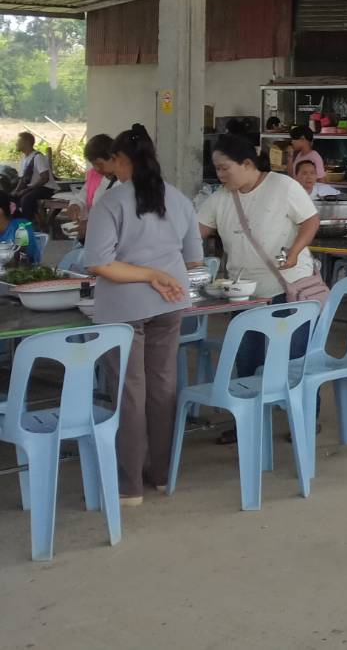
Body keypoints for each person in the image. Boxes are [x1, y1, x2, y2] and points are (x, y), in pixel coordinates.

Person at [83, 125, 201, 505]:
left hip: (124, 308)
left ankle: (129, 485)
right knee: (163, 387)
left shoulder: (111, 202)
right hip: (171, 303)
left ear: (121, 159)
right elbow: (194, 259)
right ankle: (162, 475)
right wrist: (158, 270)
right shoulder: (179, 199)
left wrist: (147, 273)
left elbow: (99, 263)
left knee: (130, 393)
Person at [197, 134, 322, 442]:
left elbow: (310, 221)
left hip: (288, 288)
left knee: (294, 359)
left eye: (225, 168)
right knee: (246, 358)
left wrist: (295, 251)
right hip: (244, 294)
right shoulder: (220, 198)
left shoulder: (282, 186)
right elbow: (194, 233)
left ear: (247, 164)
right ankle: (249, 420)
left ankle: (305, 418)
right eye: (217, 169)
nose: (220, 175)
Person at [15, 131, 57, 221]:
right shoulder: (24, 158)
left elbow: (45, 178)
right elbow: (22, 179)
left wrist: (27, 190)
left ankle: (29, 224)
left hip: (46, 188)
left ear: (26, 142)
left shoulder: (38, 157)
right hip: (32, 188)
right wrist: (15, 191)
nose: (16, 144)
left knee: (26, 199)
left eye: (18, 141)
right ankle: (18, 222)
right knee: (10, 198)